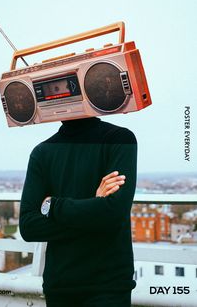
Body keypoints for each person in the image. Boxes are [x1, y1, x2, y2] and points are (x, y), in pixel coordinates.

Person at [19, 116, 137, 307]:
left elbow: (113, 215)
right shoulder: (41, 152)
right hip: (62, 288)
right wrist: (95, 208)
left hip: (107, 288)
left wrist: (54, 206)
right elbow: (29, 227)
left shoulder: (119, 138)